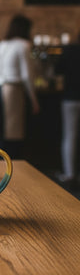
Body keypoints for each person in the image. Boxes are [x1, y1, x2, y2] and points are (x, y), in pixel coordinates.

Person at [0, 14, 40, 158]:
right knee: (13, 137)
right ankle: (13, 170)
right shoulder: (24, 45)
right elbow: (27, 75)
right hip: (12, 92)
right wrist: (34, 100)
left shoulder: (3, 44)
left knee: (0, 135)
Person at [55, 33, 80, 184]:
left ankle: (69, 174)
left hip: (70, 97)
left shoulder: (70, 50)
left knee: (70, 136)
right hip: (71, 97)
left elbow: (57, 70)